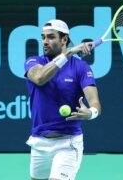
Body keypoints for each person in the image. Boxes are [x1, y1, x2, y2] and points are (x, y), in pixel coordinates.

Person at [24, 19, 102, 180]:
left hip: (68, 143)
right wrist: (70, 52)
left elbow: (95, 103)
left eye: (51, 37)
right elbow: (39, 78)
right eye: (43, 37)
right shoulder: (34, 61)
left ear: (64, 39)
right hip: (39, 141)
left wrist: (91, 113)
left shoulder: (81, 68)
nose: (45, 41)